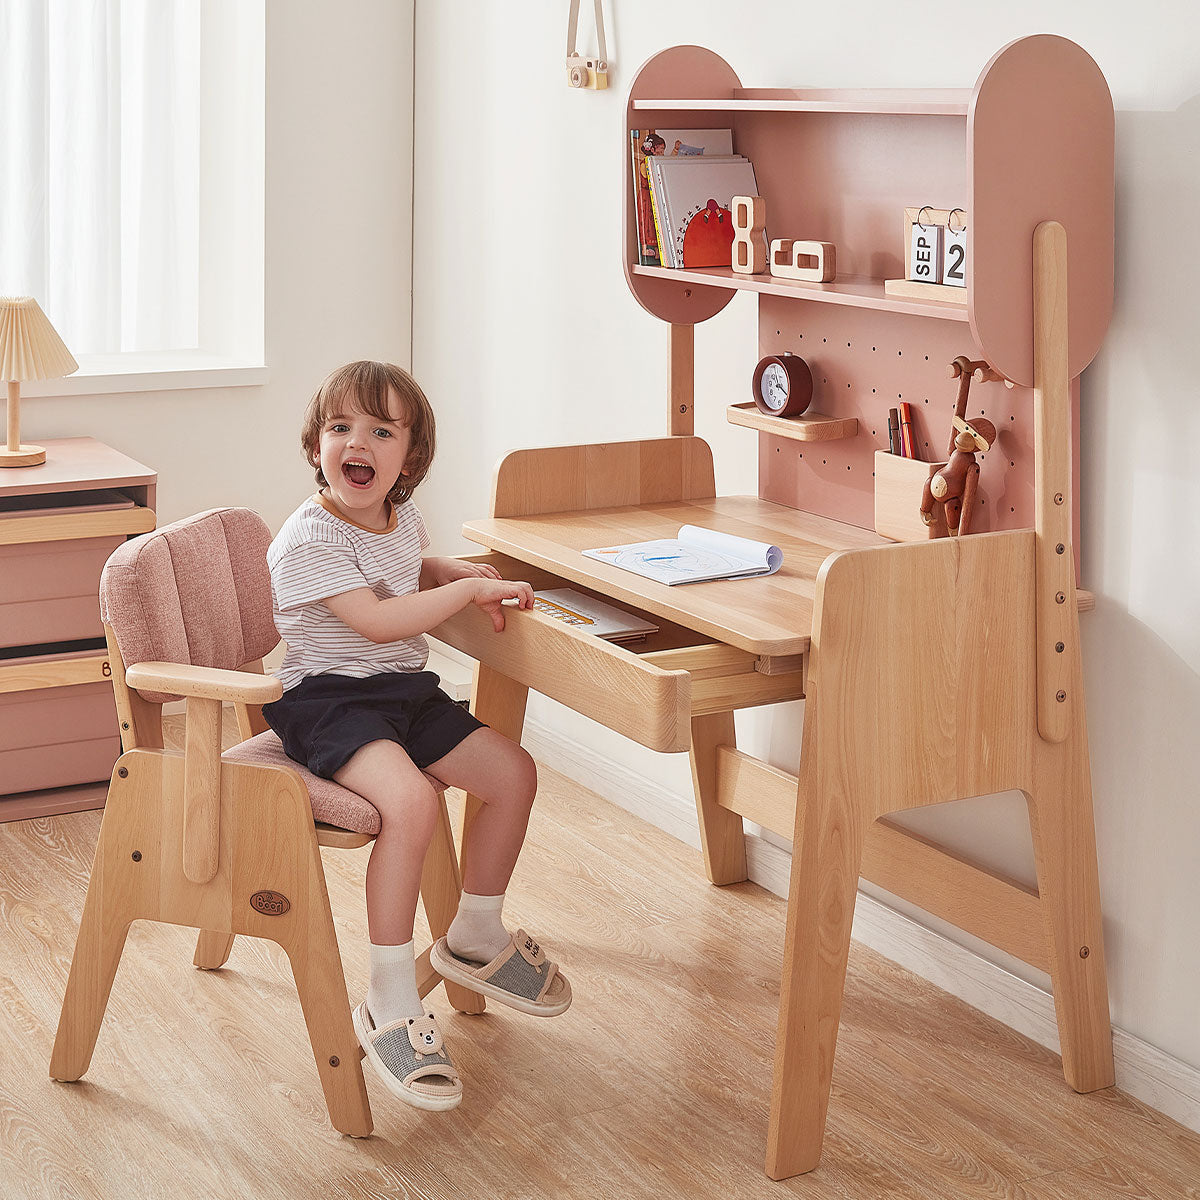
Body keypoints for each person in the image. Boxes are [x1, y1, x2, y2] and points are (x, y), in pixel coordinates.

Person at [263, 360, 571, 1112]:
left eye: (380, 430)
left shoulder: (397, 520)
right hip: (330, 702)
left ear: (409, 461)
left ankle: (473, 932)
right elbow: (372, 619)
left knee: (512, 773)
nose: (355, 442)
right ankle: (389, 994)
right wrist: (463, 591)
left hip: (398, 691)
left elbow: (398, 573)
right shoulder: (309, 538)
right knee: (411, 803)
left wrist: (443, 567)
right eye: (340, 428)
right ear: (316, 447)